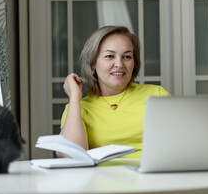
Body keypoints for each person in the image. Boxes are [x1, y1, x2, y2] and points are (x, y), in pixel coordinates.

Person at [58, 26, 170, 158]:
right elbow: (71, 156)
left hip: (151, 176)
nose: (119, 64)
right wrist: (74, 97)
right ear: (93, 64)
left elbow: (181, 142)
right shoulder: (78, 108)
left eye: (127, 57)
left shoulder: (156, 94)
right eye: (109, 56)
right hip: (102, 177)